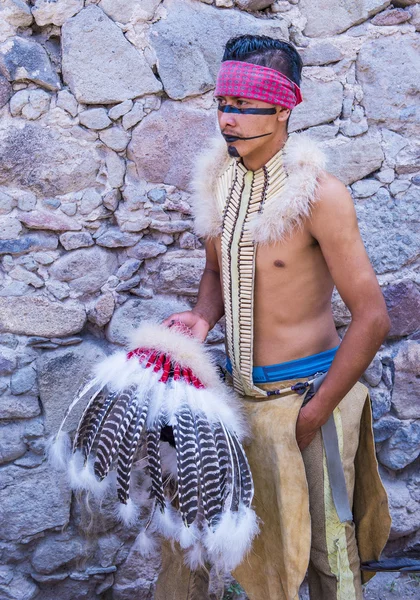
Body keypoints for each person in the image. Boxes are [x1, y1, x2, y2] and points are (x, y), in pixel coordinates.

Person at [157, 34, 391, 600]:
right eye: (223, 104)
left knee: (329, 559)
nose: (228, 119)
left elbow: (373, 318)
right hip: (242, 405)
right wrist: (199, 320)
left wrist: (316, 412)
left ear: (284, 108)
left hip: (310, 399)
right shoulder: (219, 180)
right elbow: (216, 274)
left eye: (244, 105)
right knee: (254, 559)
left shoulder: (321, 195)